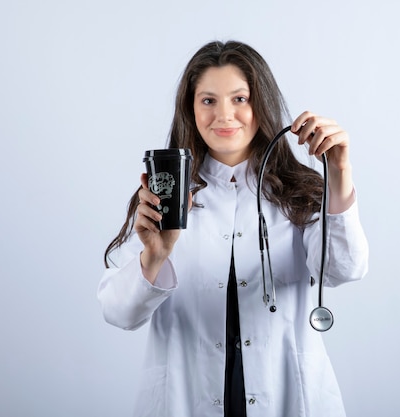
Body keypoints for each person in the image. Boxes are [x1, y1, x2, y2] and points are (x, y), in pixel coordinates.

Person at [98, 40, 369, 417]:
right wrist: (154, 256)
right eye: (208, 100)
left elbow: (344, 268)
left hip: (288, 397)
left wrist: (338, 173)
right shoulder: (163, 197)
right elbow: (119, 312)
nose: (224, 115)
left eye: (239, 98)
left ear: (262, 103)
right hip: (185, 399)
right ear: (190, 110)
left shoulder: (299, 193)